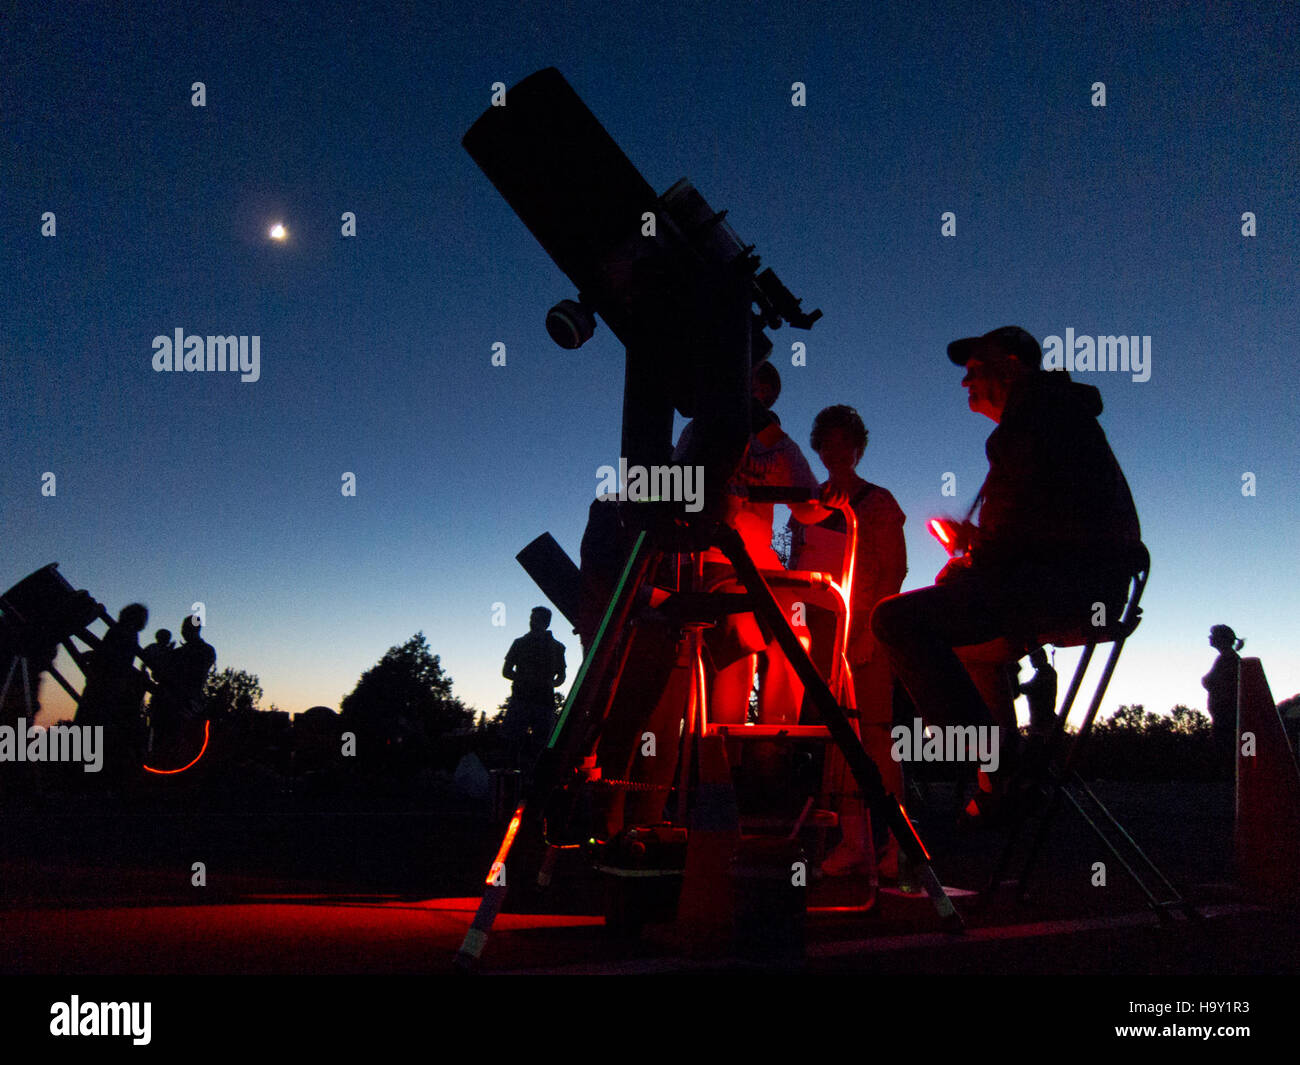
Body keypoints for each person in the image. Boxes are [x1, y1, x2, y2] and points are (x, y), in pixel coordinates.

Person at [871, 326, 1141, 822]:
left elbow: (1013, 542)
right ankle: (1000, 777)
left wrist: (972, 556)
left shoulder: (1029, 424)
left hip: (1064, 585)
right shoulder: (1053, 416)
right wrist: (974, 551)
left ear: (1013, 366)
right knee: (964, 632)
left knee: (896, 620)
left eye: (975, 370)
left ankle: (994, 766)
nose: (964, 382)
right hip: (1090, 580)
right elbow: (1038, 523)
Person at [789, 405, 907, 873]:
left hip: (864, 631)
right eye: (828, 443)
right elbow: (796, 567)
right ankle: (855, 841)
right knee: (838, 738)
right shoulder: (807, 505)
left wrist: (869, 631)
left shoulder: (879, 502)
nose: (836, 451)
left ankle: (900, 843)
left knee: (877, 734)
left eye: (846, 443)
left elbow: (893, 570)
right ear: (818, 448)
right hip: (820, 633)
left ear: (858, 448)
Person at [78, 603, 150, 784]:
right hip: (111, 689)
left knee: (91, 729)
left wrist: (94, 657)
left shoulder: (122, 631)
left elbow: (111, 658)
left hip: (104, 689)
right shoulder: (130, 634)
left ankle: (86, 777)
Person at [502, 607, 567, 770]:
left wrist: (551, 684)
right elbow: (506, 671)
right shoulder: (519, 643)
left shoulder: (558, 648)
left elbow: (561, 676)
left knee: (542, 746)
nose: (532, 622)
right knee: (512, 743)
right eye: (532, 619)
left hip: (544, 702)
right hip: (521, 700)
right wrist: (524, 679)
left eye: (536, 619)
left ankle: (535, 780)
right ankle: (510, 779)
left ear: (545, 623)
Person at [1201, 624, 1243, 766]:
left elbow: (1218, 684)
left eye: (1213, 635)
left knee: (1225, 753)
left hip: (1226, 718)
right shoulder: (1226, 658)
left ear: (1221, 639)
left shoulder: (1228, 659)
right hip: (1222, 716)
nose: (1210, 637)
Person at [1018, 646, 1059, 736]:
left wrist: (1015, 685)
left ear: (1040, 657)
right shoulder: (1043, 672)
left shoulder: (1046, 672)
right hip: (1040, 721)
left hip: (1043, 723)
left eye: (1032, 657)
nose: (1030, 660)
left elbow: (1030, 687)